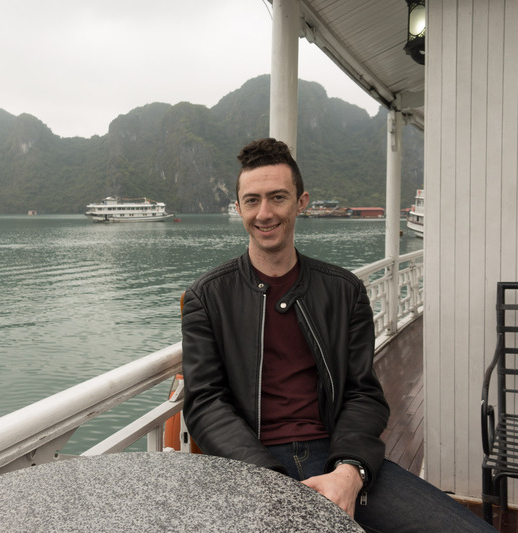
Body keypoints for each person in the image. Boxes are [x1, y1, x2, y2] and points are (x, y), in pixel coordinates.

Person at [181, 138, 495, 532]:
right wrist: (266, 477)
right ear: (239, 206)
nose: (264, 213)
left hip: (335, 452)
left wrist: (350, 470)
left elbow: (364, 393)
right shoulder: (208, 296)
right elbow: (205, 402)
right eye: (252, 200)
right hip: (252, 460)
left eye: (278, 197)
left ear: (301, 202)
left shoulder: (343, 290)